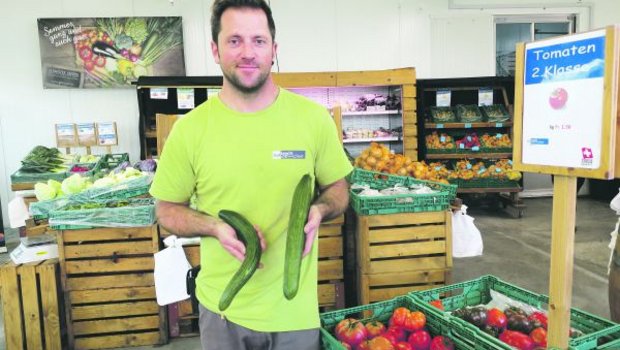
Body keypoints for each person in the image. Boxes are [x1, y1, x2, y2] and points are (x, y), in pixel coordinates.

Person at [149, 0, 353, 349]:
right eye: (234, 40)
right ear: (215, 49)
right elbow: (166, 210)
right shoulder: (190, 130)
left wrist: (319, 210)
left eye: (258, 40)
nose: (248, 52)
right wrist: (213, 226)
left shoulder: (313, 120)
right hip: (222, 310)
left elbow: (338, 188)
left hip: (294, 311)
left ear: (274, 49)